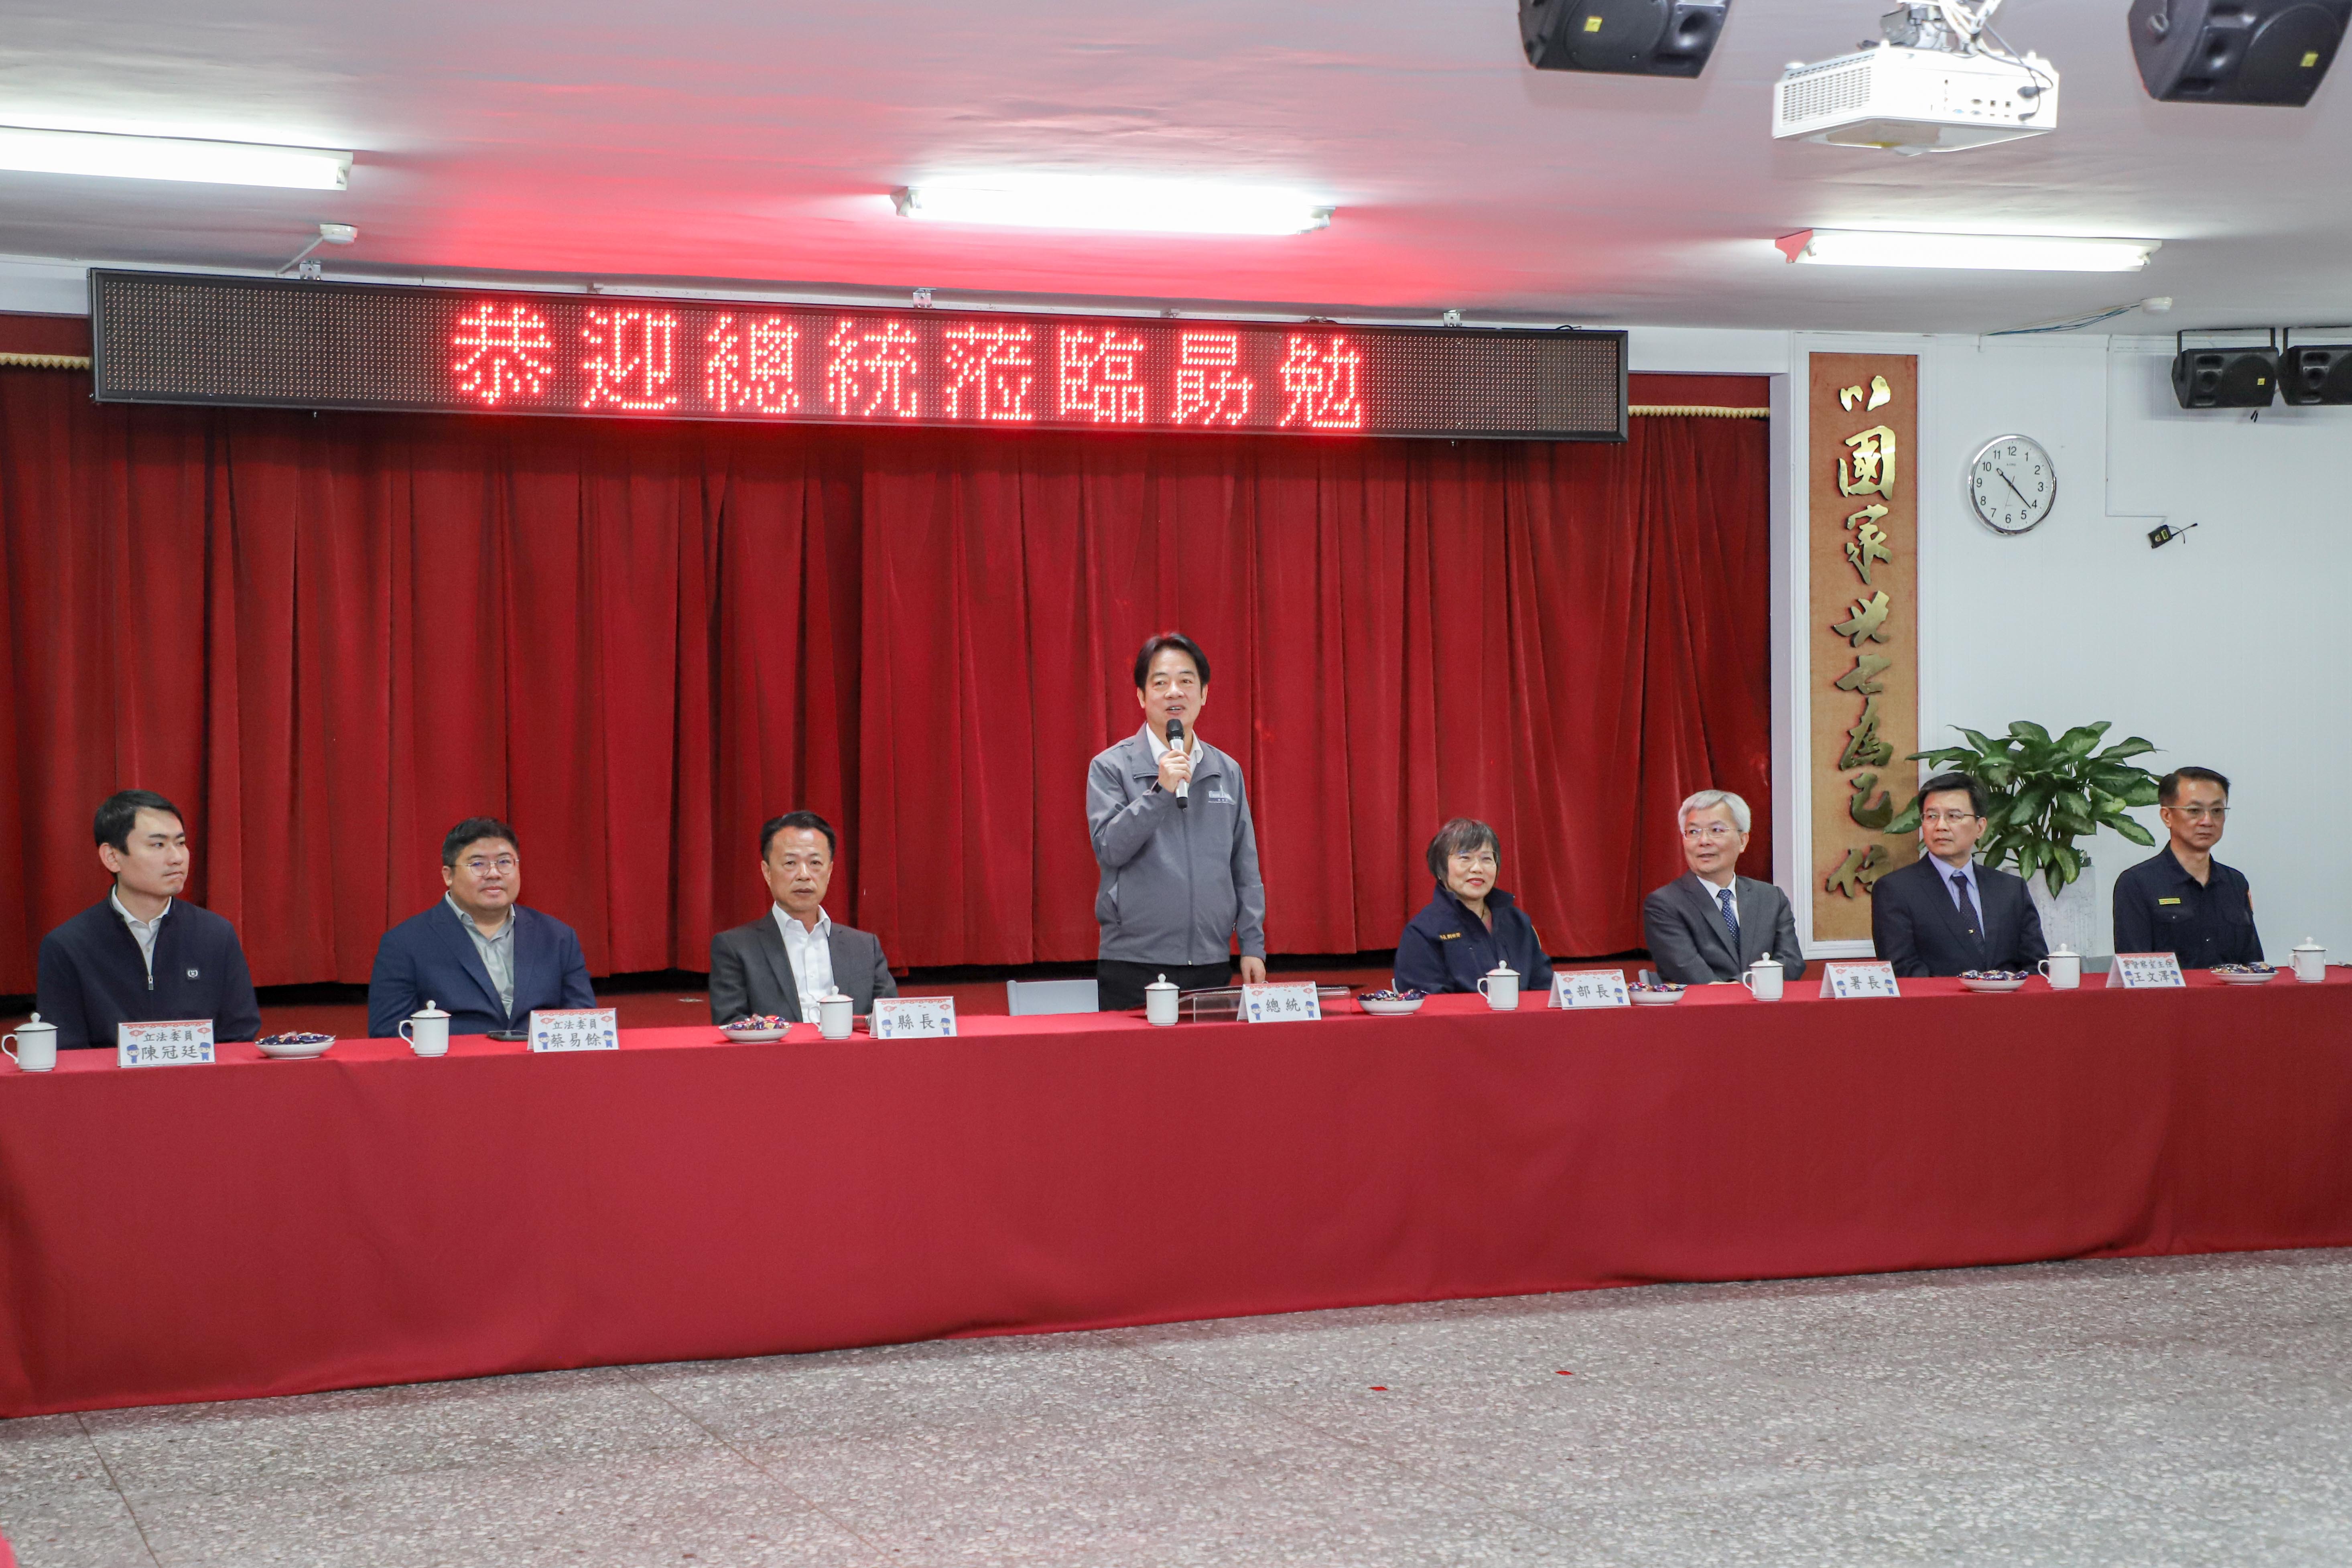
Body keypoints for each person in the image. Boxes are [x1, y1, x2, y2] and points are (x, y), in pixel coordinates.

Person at [1087, 632, 1267, 1011]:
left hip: (1210, 960)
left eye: (1186, 681)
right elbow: (1110, 849)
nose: (1175, 692)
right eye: (1160, 683)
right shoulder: (1111, 767)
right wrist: (1160, 792)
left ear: (1204, 694)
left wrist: (1252, 945)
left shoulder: (1226, 771)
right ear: (1141, 696)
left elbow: (1245, 867)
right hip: (1133, 963)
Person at [36, 789, 261, 1050]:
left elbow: (239, 1038)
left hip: (198, 1076)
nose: (177, 858)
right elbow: (67, 1052)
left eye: (180, 843)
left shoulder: (216, 935)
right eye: (158, 845)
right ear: (112, 857)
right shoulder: (67, 946)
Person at [366, 817, 595, 1038]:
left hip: (539, 1063)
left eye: (505, 862)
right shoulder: (405, 944)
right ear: (448, 876)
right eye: (478, 864)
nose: (494, 874)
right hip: (454, 1063)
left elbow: (583, 1022)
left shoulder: (558, 937)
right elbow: (391, 1033)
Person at [708, 811, 897, 1024]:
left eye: (815, 863)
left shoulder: (865, 947)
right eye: (790, 863)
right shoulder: (735, 948)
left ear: (830, 871)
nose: (804, 875)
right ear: (767, 872)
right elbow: (732, 1024)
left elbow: (890, 1021)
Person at [1871, 772, 2049, 977]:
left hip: (2010, 997)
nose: (1941, 826)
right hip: (1936, 998)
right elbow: (1903, 970)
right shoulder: (1896, 890)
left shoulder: (2010, 889)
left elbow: (2037, 966)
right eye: (1931, 816)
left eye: (1954, 816)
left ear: (1980, 827)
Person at [1641, 790, 1807, 985]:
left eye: (1716, 830)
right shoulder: (1665, 904)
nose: (1704, 841)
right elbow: (1689, 972)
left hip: (1765, 1002)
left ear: (1743, 841)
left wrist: (1741, 986)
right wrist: (1747, 988)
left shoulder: (1771, 898)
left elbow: (1791, 962)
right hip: (1703, 1004)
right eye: (1693, 832)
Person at [2112, 766, 2261, 967]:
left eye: (2217, 811)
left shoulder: (2235, 882)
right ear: (2167, 816)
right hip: (2168, 989)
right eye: (2194, 811)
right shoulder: (2137, 883)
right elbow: (2136, 968)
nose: (2207, 821)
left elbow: (2254, 965)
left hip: (2230, 989)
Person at [1394, 818, 1556, 995]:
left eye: (1486, 859)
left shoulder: (1518, 923)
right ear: (1441, 869)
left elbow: (1544, 990)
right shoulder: (1422, 932)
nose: (1478, 868)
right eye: (1465, 858)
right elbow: (1428, 1003)